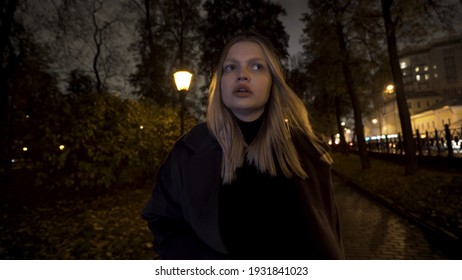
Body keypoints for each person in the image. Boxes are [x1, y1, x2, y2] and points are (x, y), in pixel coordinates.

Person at [142, 32, 345, 260]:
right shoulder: (188, 150)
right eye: (230, 67)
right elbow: (163, 221)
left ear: (273, 82)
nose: (242, 75)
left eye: (256, 67)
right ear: (219, 83)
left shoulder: (308, 153)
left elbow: (328, 234)